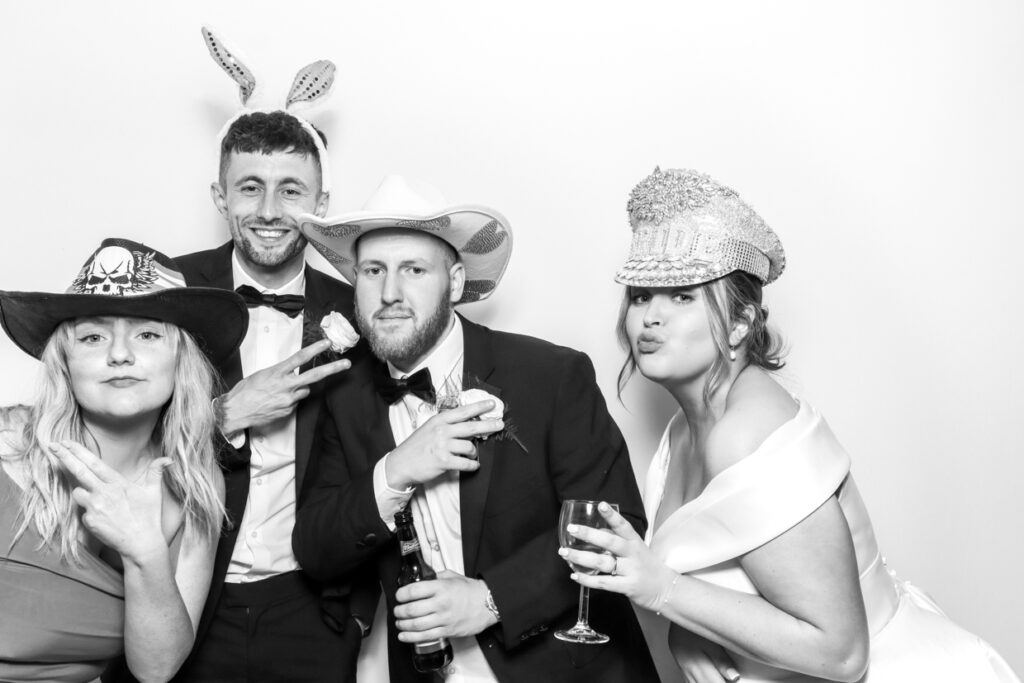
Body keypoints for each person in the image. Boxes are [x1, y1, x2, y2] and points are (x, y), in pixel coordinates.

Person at [562, 167, 1021, 682]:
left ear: (740, 322)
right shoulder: (685, 428)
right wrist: (685, 633)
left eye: (684, 296)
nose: (650, 316)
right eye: (642, 295)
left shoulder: (748, 431)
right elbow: (735, 582)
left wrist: (662, 591)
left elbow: (843, 655)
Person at [292, 175, 659, 683]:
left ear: (457, 283)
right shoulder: (344, 394)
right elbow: (315, 548)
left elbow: (615, 527)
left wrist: (491, 599)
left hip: (563, 667)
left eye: (414, 269)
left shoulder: (550, 375)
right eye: (373, 270)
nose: (389, 293)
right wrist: (395, 471)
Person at [143, 109, 373, 683]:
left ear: (322, 205)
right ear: (220, 197)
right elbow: (113, 438)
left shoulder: (367, 310)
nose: (270, 211)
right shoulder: (165, 293)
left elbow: (381, 457)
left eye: (290, 190)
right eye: (250, 188)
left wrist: (360, 613)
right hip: (179, 598)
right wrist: (223, 417)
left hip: (313, 611)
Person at [0, 238, 248, 682]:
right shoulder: (4, 447)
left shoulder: (194, 480)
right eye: (93, 337)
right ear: (65, 362)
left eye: (148, 334)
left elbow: (157, 669)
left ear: (181, 359)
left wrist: (145, 553)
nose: (119, 354)